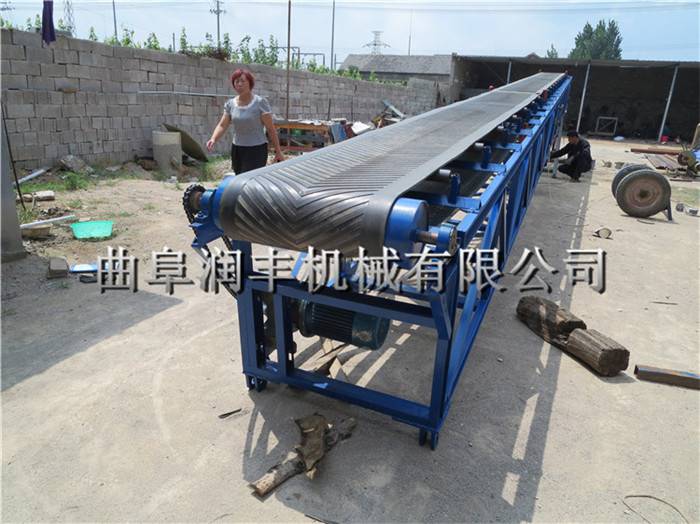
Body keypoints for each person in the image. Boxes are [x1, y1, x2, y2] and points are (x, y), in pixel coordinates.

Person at [206, 68, 285, 174]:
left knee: (251, 179)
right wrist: (213, 139)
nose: (239, 84)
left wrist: (278, 151)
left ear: (250, 83)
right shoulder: (230, 104)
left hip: (256, 149)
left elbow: (270, 129)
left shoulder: (260, 103)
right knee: (239, 177)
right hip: (237, 149)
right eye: (236, 81)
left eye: (243, 81)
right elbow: (222, 125)